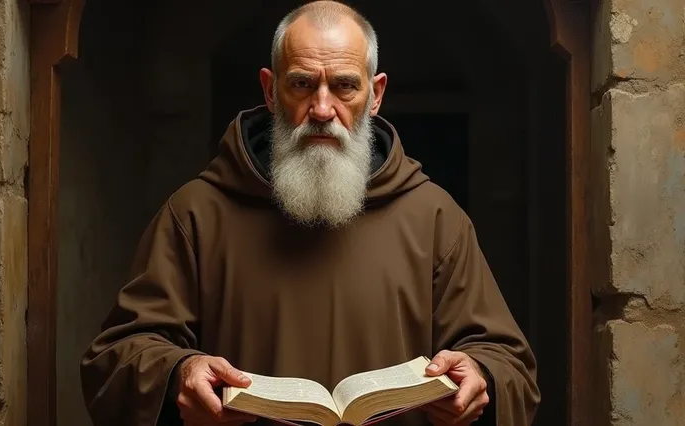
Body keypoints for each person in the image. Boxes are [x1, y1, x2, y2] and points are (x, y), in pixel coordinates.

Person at [79, 1, 541, 425]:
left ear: (375, 94)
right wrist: (181, 371)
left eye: (344, 86)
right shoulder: (195, 214)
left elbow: (510, 366)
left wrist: (480, 374)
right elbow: (115, 360)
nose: (323, 108)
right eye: (302, 83)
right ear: (271, 90)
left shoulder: (436, 218)